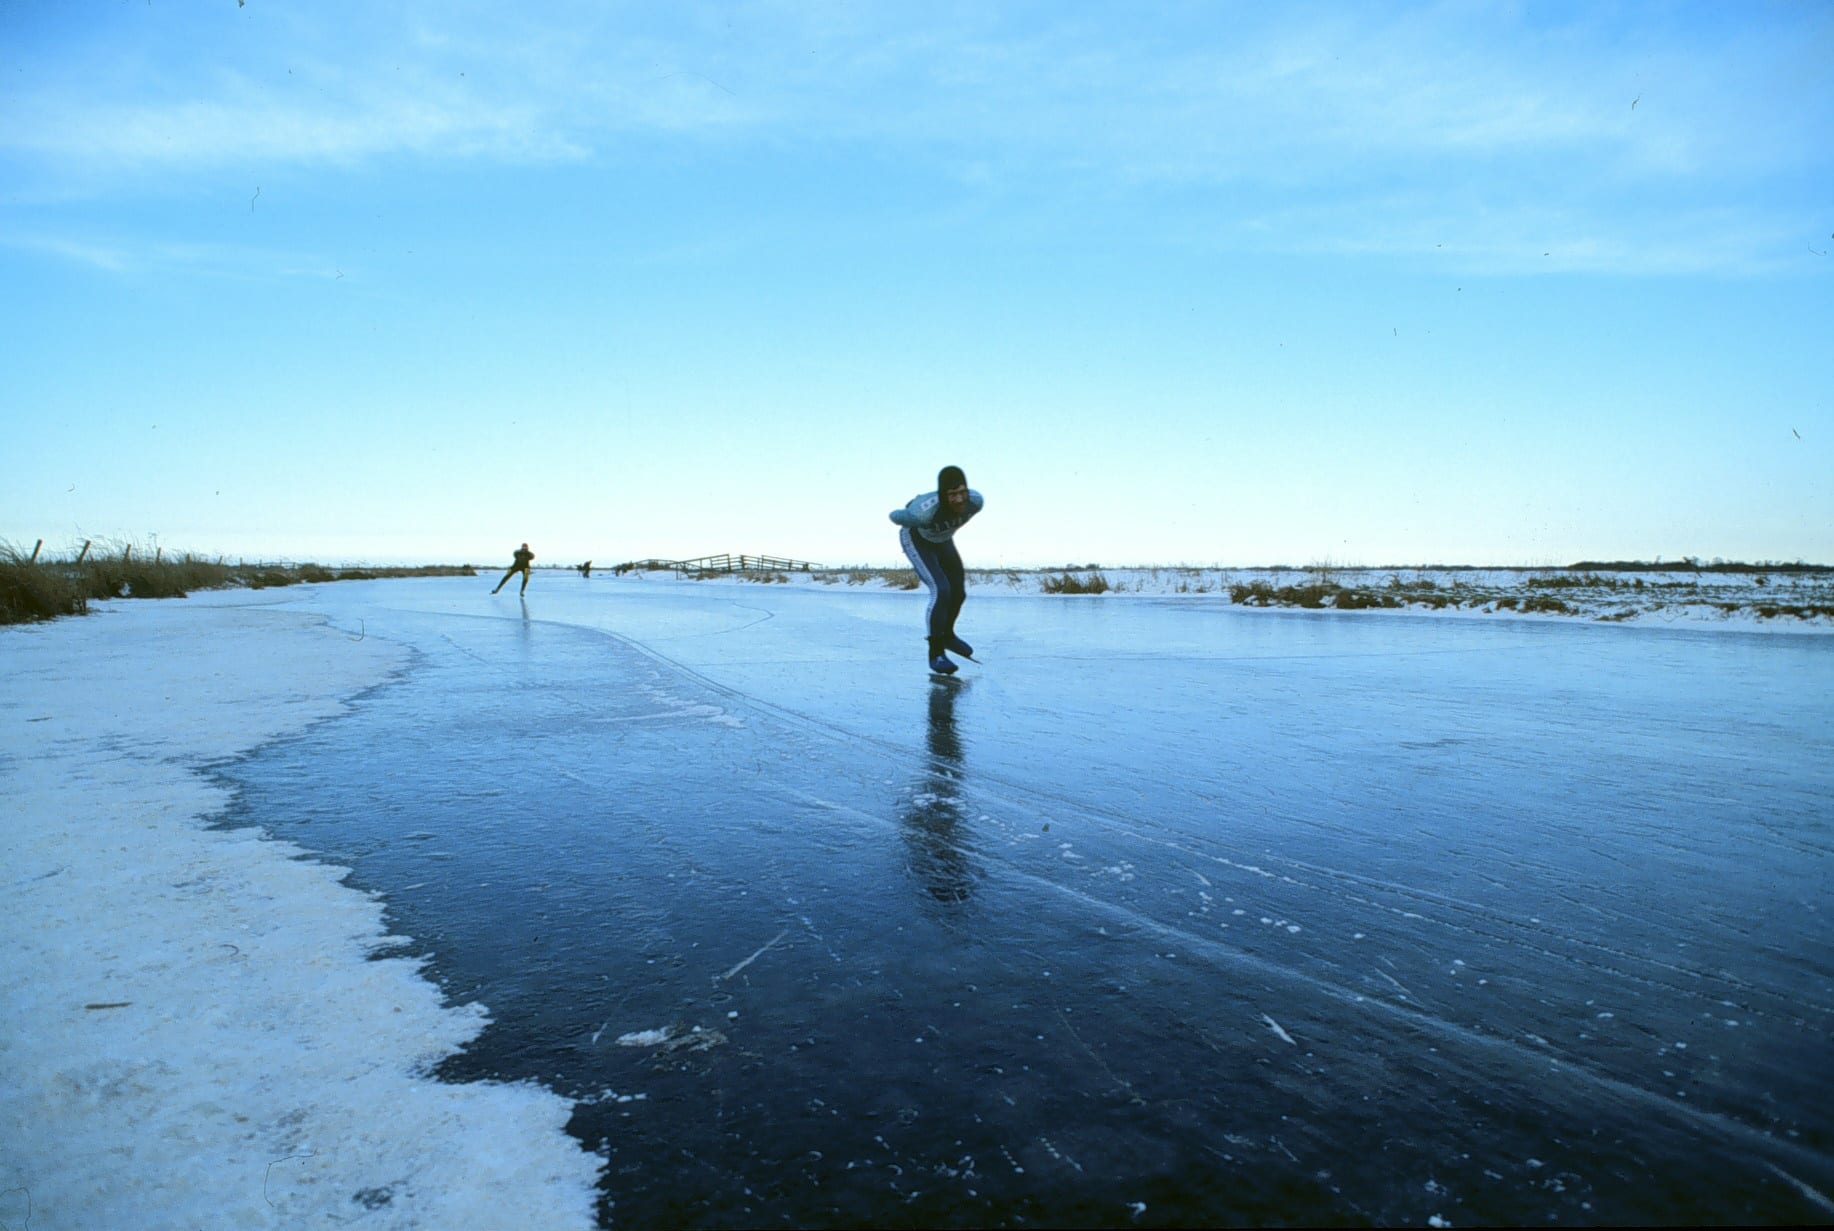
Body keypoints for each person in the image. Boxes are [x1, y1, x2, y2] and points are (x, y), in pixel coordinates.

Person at [890, 466, 984, 674]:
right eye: (952, 495)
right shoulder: (922, 514)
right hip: (917, 539)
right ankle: (936, 652)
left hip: (942, 540)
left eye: (962, 492)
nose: (960, 500)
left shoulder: (976, 502)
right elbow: (894, 515)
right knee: (941, 590)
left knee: (958, 592)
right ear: (943, 495)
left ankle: (948, 635)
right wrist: (911, 509)